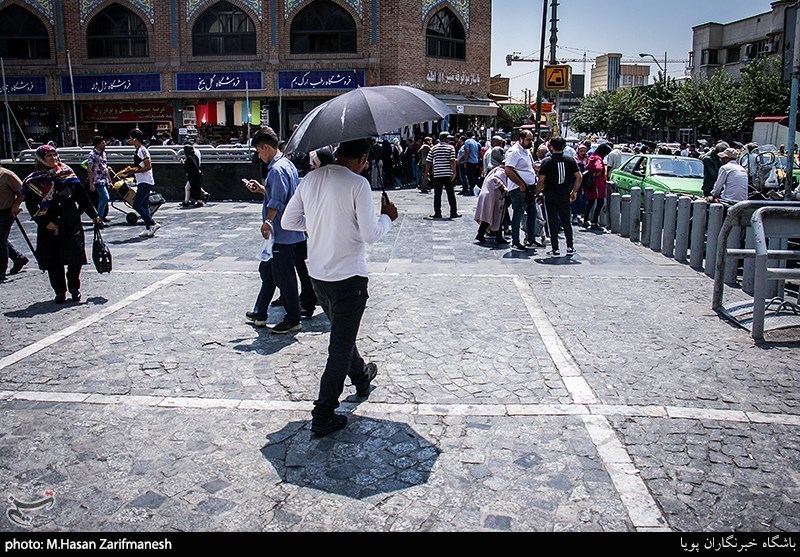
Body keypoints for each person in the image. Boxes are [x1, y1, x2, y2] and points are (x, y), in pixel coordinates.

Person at [283, 138, 398, 437]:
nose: (367, 165)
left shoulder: (310, 179)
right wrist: (388, 217)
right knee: (340, 346)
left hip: (318, 276)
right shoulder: (358, 184)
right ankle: (323, 413)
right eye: (366, 160)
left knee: (342, 337)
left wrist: (319, 224)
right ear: (361, 157)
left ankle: (361, 378)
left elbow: (289, 220)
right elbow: (370, 234)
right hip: (349, 279)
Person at [244, 127, 306, 333]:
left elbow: (278, 201)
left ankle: (293, 317)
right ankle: (260, 312)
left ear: (266, 147)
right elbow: (282, 194)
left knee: (284, 277)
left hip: (282, 233)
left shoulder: (277, 169)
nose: (259, 156)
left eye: (259, 152)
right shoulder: (287, 165)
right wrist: (263, 190)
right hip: (287, 231)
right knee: (269, 272)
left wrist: (268, 222)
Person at [21, 145, 101, 302]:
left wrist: (94, 214)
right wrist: (44, 222)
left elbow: (81, 196)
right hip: (49, 226)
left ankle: (74, 287)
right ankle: (59, 290)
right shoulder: (34, 180)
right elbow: (31, 205)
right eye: (48, 156)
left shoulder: (67, 174)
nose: (53, 158)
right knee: (54, 261)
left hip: (71, 222)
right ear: (41, 159)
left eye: (54, 155)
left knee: (75, 258)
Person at [536, 136, 582, 257]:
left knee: (552, 222)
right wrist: (574, 191)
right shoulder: (570, 160)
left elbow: (541, 180)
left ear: (550, 146)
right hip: (565, 195)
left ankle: (555, 248)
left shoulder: (546, 161)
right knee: (566, 221)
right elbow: (579, 177)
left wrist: (536, 193)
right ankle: (570, 247)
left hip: (550, 195)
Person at [122, 128, 160, 238]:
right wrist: (133, 170)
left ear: (134, 139)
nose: (129, 140)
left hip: (145, 181)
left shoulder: (142, 150)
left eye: (130, 138)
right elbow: (142, 165)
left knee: (137, 204)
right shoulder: (139, 151)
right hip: (142, 181)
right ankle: (149, 227)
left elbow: (148, 166)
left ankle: (152, 223)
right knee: (144, 205)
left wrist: (135, 171)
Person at [502, 130, 537, 251]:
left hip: (529, 189)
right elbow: (508, 169)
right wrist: (520, 184)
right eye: (528, 140)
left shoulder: (526, 151)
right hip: (518, 189)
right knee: (518, 214)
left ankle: (531, 239)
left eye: (531, 139)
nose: (530, 142)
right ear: (521, 139)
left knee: (533, 213)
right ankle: (515, 242)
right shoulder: (514, 151)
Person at [0, 162, 28, 282]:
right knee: (1, 239)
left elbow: (22, 191)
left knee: (0, 240)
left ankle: (1, 271)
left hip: (5, 212)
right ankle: (18, 258)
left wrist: (16, 205)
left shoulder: (7, 175)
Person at [426, 132, 460, 219]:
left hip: (437, 174)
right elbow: (452, 161)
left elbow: (428, 161)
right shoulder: (450, 148)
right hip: (447, 174)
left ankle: (437, 212)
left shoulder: (434, 148)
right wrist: (454, 172)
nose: (449, 140)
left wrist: (427, 172)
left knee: (437, 194)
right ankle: (453, 212)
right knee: (450, 194)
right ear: (445, 139)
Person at [474, 166, 508, 244]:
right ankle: (484, 234)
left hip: (490, 196)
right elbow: (494, 179)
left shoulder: (496, 170)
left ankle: (489, 234)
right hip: (491, 197)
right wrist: (503, 187)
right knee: (493, 216)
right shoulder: (501, 172)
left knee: (490, 216)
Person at [583, 143, 612, 230]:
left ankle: (585, 220)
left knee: (590, 202)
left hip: (591, 183)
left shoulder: (592, 157)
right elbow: (598, 167)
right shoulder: (598, 159)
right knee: (600, 203)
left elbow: (587, 166)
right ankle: (594, 222)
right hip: (598, 184)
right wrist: (597, 173)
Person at [86, 136, 112, 225]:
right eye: (103, 143)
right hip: (97, 180)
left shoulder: (103, 154)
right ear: (98, 144)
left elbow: (106, 167)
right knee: (105, 198)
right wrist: (91, 183)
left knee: (102, 199)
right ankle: (99, 218)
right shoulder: (92, 154)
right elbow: (89, 169)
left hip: (104, 179)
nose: (104, 145)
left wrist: (109, 180)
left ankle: (100, 217)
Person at [462, 131, 481, 196]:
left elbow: (467, 152)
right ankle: (474, 189)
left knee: (470, 176)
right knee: (474, 176)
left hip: (470, 161)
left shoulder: (467, 142)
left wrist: (465, 161)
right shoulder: (475, 142)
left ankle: (472, 190)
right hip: (475, 161)